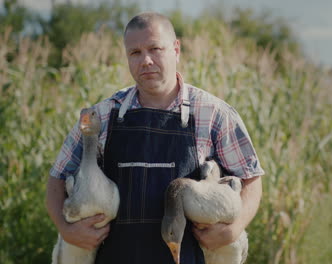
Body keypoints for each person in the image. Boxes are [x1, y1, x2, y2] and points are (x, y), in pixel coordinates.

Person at [45, 12, 264, 263]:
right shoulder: (103, 116)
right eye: (135, 53)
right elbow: (57, 180)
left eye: (155, 48)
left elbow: (251, 179)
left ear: (176, 49)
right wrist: (67, 230)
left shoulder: (214, 114)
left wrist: (234, 230)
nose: (146, 60)